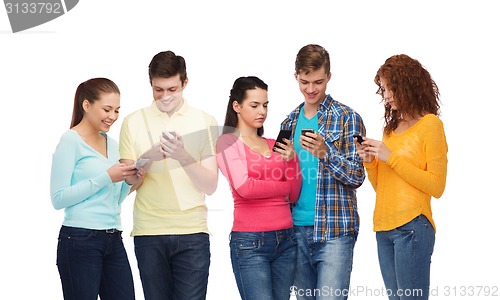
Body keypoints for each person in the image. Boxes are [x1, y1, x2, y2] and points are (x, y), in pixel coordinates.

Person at [119, 50, 219, 300]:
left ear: (185, 83)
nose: (165, 97)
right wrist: (148, 157)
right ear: (150, 84)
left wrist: (183, 156)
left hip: (193, 233)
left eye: (172, 89)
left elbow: (210, 185)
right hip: (149, 232)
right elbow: (128, 183)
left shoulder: (206, 121)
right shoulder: (133, 121)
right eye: (158, 89)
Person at [356, 54, 448, 300]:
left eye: (390, 88)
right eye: (383, 90)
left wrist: (391, 157)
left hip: (413, 227)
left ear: (407, 85)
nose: (386, 96)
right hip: (383, 228)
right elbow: (385, 187)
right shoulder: (391, 130)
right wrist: (371, 162)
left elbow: (437, 186)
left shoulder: (431, 126)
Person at [280, 44, 366, 300]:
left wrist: (325, 153)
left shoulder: (349, 118)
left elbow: (357, 175)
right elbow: (282, 179)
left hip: (335, 231)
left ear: (329, 76)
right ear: (295, 76)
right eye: (304, 81)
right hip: (295, 231)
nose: (311, 89)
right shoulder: (288, 122)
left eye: (318, 81)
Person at [50, 77, 141, 300]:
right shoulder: (70, 140)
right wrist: (106, 177)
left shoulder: (113, 144)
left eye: (117, 110)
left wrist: (131, 182)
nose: (113, 117)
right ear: (87, 105)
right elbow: (58, 198)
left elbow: (113, 198)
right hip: (79, 240)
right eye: (107, 109)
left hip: (113, 238)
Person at [216, 76, 302, 300]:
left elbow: (293, 194)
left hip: (286, 240)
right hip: (250, 243)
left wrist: (292, 160)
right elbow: (245, 187)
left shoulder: (276, 144)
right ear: (237, 106)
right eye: (254, 105)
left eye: (265, 105)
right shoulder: (227, 143)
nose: (261, 111)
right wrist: (282, 187)